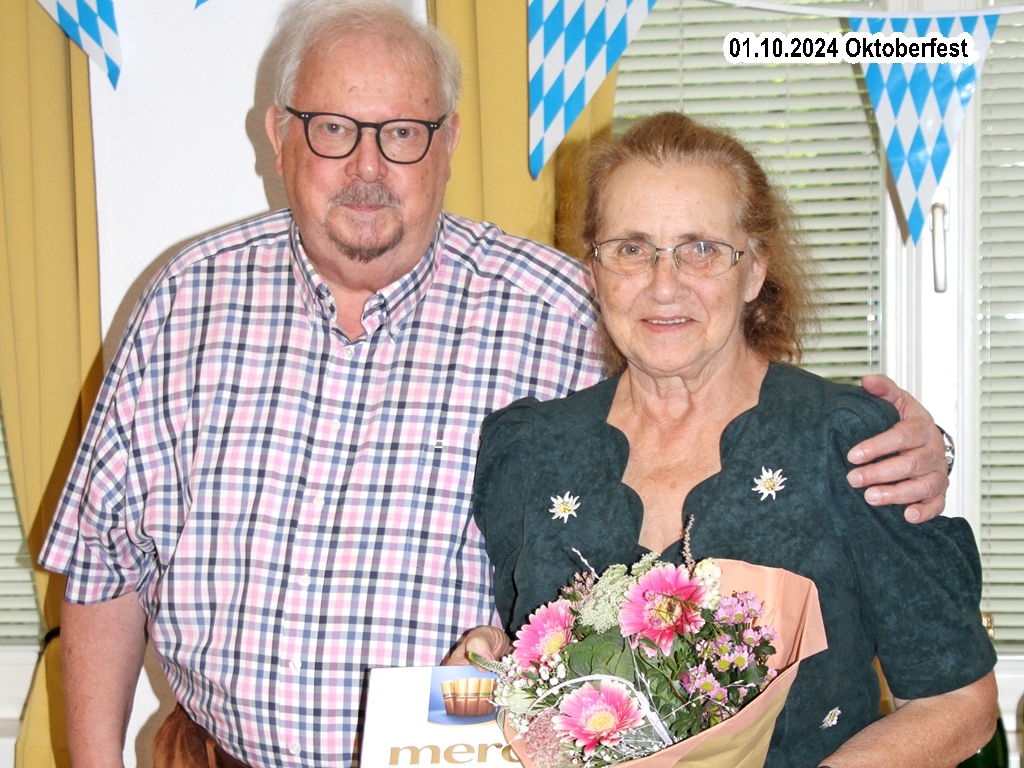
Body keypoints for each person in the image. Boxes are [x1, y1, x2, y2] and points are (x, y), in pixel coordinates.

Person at [39, 2, 949, 766]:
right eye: (332, 129)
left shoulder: (569, 305)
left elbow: (727, 402)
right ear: (279, 136)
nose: (367, 169)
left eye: (402, 133)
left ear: (447, 142)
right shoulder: (183, 301)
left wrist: (908, 444)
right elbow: (105, 562)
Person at [471, 112, 996, 768]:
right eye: (631, 249)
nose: (664, 284)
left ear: (754, 271)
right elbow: (533, 669)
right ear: (593, 271)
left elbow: (957, 701)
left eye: (701, 249)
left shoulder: (844, 445)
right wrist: (491, 667)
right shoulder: (531, 451)